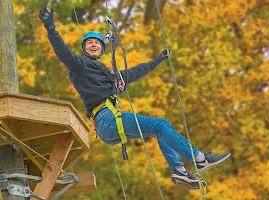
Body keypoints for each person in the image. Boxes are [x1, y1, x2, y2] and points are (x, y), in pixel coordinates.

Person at [39, 5, 231, 190]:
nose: (93, 44)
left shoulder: (109, 76)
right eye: (89, 42)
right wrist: (50, 28)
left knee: (160, 130)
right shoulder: (79, 66)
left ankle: (179, 170)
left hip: (108, 125)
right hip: (107, 119)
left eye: (97, 42)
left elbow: (134, 72)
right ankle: (200, 159)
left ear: (102, 49)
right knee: (161, 125)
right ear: (84, 48)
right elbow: (62, 52)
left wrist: (156, 61)